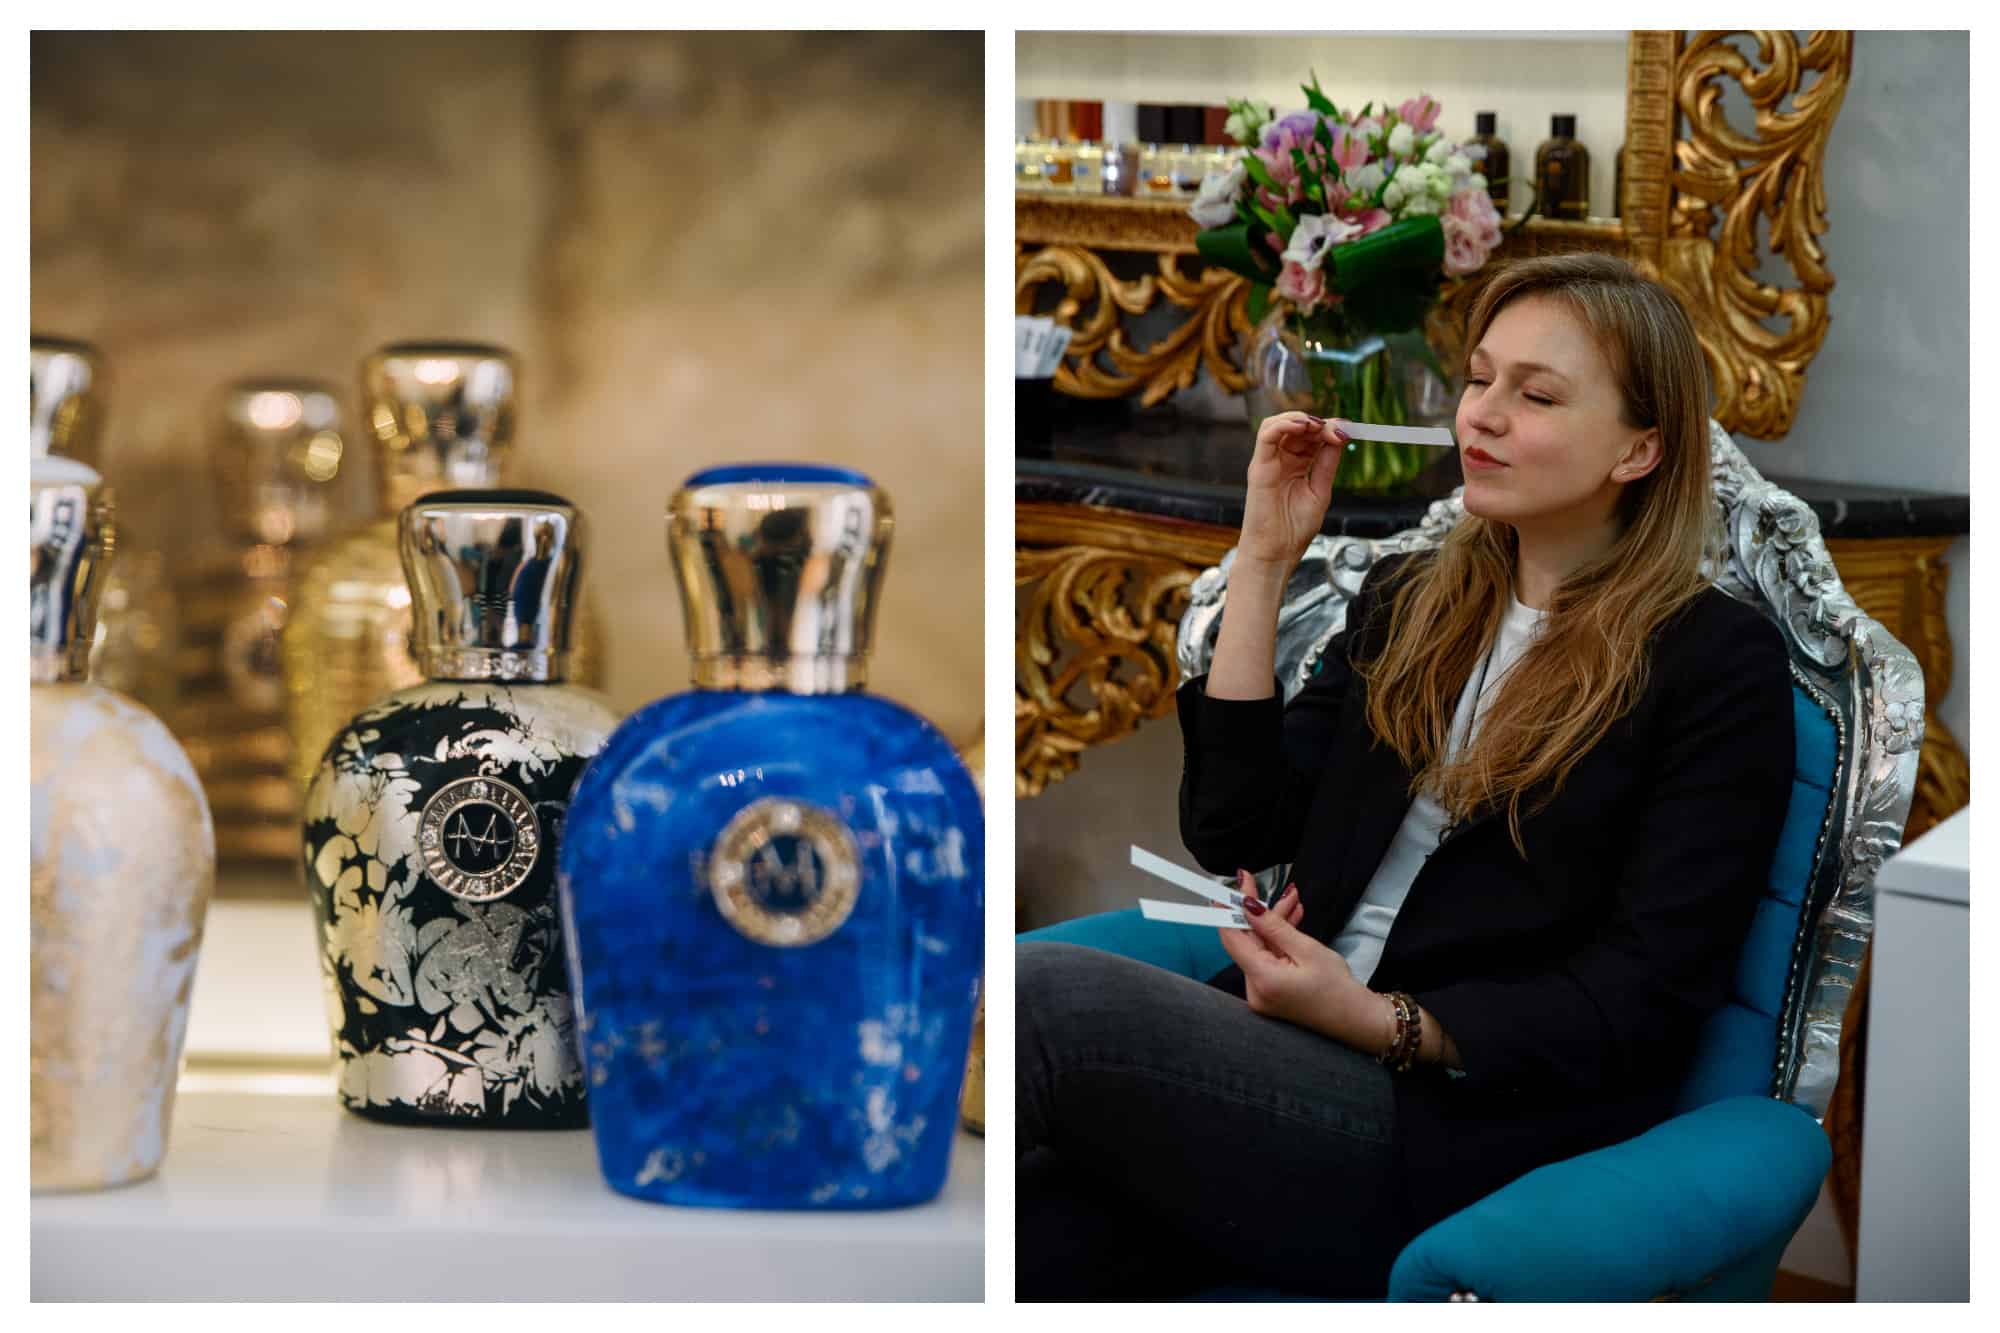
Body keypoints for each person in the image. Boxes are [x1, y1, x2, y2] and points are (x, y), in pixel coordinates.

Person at [1016, 252, 1796, 1300]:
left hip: (1452, 1128)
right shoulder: (1409, 597)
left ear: (1640, 447)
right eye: (1478, 378)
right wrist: (1260, 560)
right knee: (1028, 1223)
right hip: (1279, 1055)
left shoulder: (1710, 664)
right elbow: (1235, 825)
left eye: (1536, 394)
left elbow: (1642, 993)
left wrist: (1375, 1019)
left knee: (1044, 999)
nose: (1480, 415)